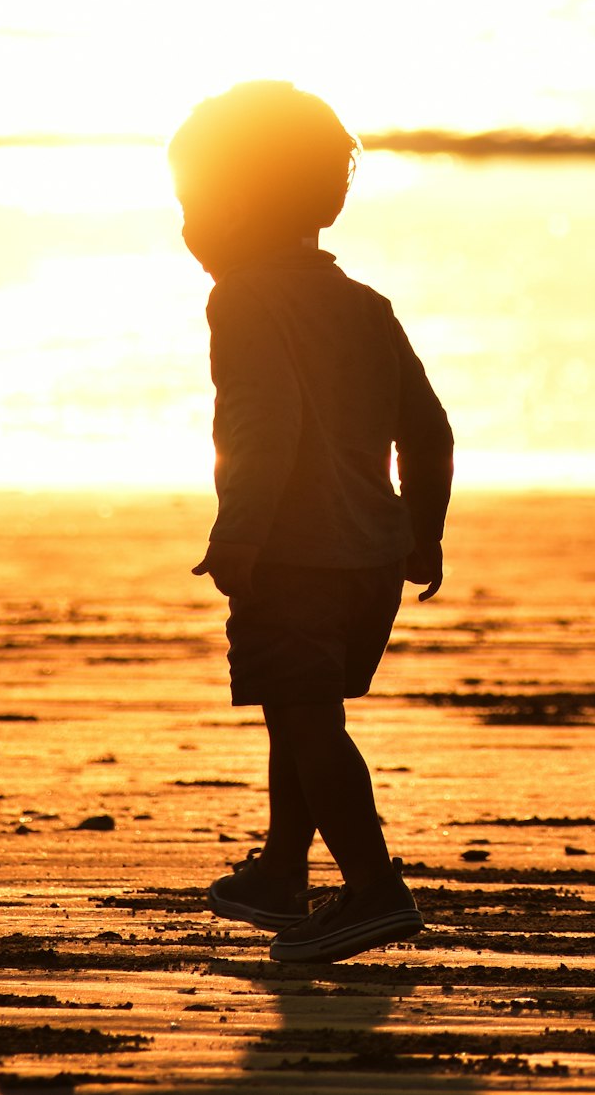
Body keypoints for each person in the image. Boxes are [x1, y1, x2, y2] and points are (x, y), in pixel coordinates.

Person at [168, 80, 453, 964]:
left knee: (309, 722)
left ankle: (373, 891)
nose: (185, 225)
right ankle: (283, 871)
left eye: (192, 202)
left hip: (294, 555)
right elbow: (430, 430)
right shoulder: (365, 305)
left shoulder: (244, 300)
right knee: (299, 711)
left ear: (238, 204)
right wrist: (424, 532)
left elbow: (267, 423)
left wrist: (240, 534)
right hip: (371, 559)